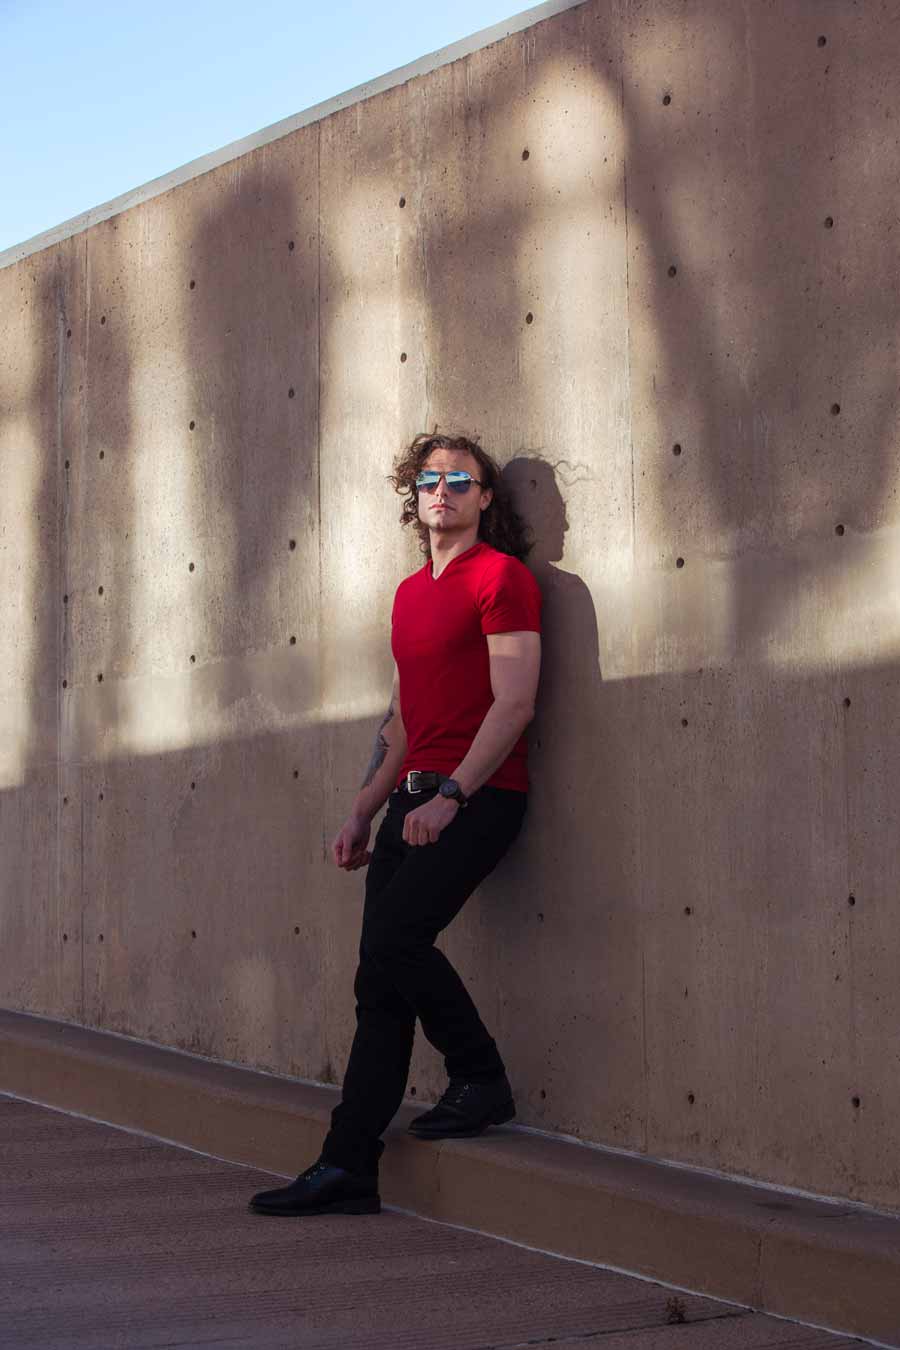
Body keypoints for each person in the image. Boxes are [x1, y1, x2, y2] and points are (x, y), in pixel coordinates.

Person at [249, 430, 542, 1218]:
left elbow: (514, 703)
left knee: (393, 945)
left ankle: (480, 1074)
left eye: (460, 480)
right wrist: (362, 808)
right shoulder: (411, 594)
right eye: (428, 479)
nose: (441, 490)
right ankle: (348, 1165)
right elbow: (405, 718)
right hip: (413, 799)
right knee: (377, 984)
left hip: (480, 796)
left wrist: (452, 796)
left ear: (484, 499)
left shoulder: (502, 579)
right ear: (411, 496)